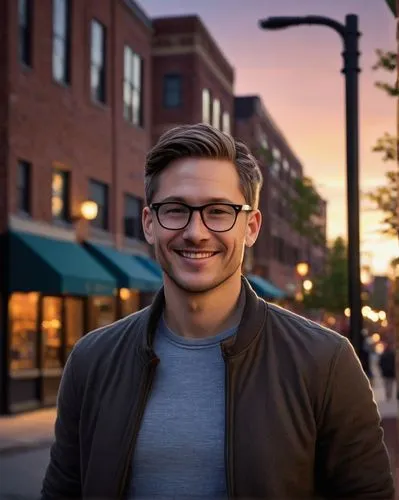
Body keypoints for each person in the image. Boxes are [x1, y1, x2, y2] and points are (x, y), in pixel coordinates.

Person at [41, 123, 393, 499]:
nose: (196, 231)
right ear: (148, 223)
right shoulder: (92, 360)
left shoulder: (326, 363)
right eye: (175, 210)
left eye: (219, 211)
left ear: (251, 227)